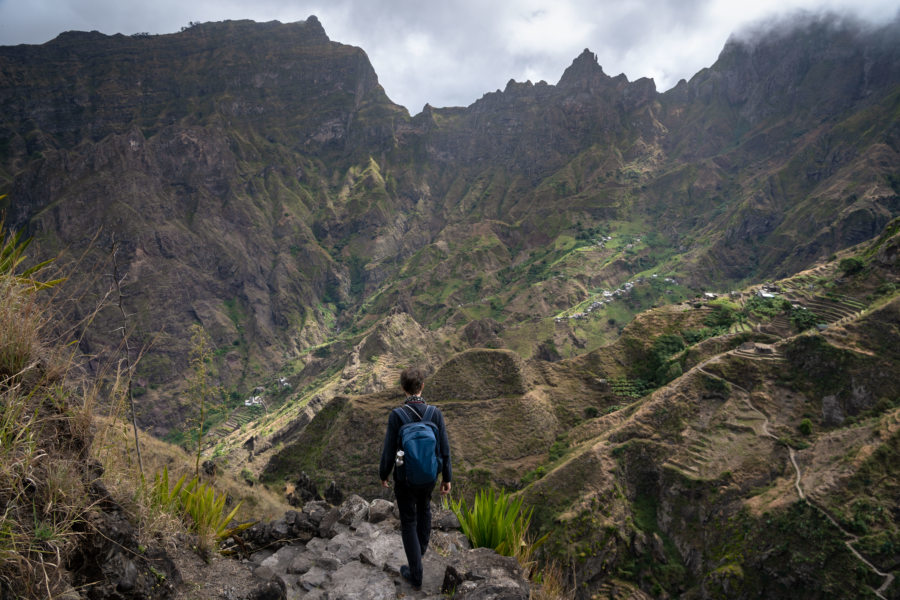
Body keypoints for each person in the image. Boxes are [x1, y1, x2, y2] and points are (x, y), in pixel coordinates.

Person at [379, 366, 452, 589]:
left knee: (409, 520)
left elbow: (389, 449)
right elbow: (444, 449)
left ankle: (415, 572)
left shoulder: (397, 415)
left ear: (403, 389)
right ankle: (417, 555)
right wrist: (446, 477)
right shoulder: (435, 414)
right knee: (425, 510)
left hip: (404, 478)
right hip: (429, 476)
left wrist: (384, 474)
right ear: (422, 386)